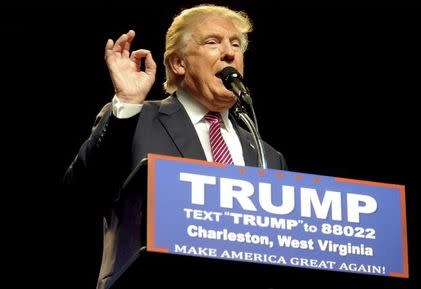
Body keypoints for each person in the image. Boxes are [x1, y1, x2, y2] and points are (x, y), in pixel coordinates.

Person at [64, 4, 287, 289]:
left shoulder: (268, 156)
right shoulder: (136, 120)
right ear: (178, 63)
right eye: (212, 42)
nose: (230, 53)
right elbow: (80, 194)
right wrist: (128, 101)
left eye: (235, 44)